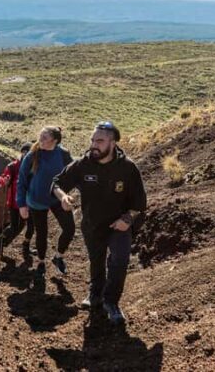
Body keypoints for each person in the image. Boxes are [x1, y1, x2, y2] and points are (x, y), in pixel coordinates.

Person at [52, 120, 147, 325]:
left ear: (113, 143)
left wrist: (128, 219)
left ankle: (111, 302)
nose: (94, 145)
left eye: (100, 141)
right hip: (92, 224)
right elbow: (57, 183)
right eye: (93, 140)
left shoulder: (128, 168)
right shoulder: (83, 164)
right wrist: (63, 197)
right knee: (96, 260)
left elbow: (140, 203)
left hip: (118, 225)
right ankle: (95, 294)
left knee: (119, 260)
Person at [17, 126, 74, 278]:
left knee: (70, 229)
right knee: (42, 232)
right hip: (37, 199)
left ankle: (58, 257)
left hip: (57, 197)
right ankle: (41, 261)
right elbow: (21, 180)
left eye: (44, 138)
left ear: (55, 141)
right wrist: (21, 204)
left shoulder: (63, 154)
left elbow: (75, 173)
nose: (40, 140)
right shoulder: (32, 155)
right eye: (40, 136)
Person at [0, 142, 35, 257]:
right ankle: (0, 240)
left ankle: (26, 246)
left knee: (31, 226)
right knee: (14, 227)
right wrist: (5, 181)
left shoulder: (35, 166)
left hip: (30, 202)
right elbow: (2, 179)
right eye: (25, 152)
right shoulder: (13, 166)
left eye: (30, 153)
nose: (27, 155)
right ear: (22, 153)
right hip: (15, 202)